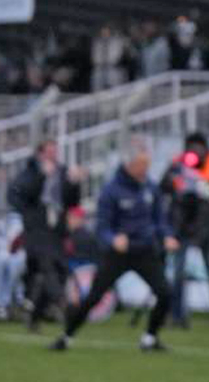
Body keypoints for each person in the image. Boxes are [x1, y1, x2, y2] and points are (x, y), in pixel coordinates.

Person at [49, 137, 178, 352]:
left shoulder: (151, 188)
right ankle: (66, 336)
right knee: (93, 297)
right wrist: (113, 239)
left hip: (145, 251)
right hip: (117, 254)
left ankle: (150, 339)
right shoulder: (111, 190)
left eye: (147, 165)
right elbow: (102, 226)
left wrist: (167, 236)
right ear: (130, 165)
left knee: (165, 293)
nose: (145, 170)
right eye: (142, 165)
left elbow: (160, 220)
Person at [164, 131, 209, 329]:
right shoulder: (179, 165)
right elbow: (164, 188)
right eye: (191, 147)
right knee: (178, 271)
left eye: (199, 148)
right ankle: (177, 315)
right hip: (182, 223)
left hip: (206, 225)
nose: (194, 153)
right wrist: (172, 172)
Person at [8, 139, 82, 329]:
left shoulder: (62, 172)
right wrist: (42, 176)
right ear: (40, 154)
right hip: (36, 230)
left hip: (55, 228)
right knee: (47, 266)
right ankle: (63, 303)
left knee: (59, 270)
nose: (53, 156)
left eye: (55, 151)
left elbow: (72, 202)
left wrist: (74, 183)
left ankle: (35, 315)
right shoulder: (30, 172)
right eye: (49, 152)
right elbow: (21, 195)